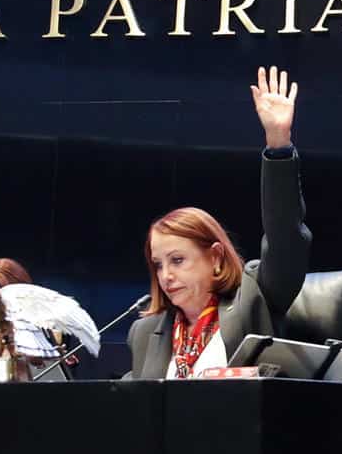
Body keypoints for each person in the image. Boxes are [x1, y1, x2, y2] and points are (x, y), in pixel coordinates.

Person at [127, 67, 312, 379]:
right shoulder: (145, 333)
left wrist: (278, 144)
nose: (166, 275)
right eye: (158, 264)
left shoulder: (254, 298)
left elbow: (285, 240)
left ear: (214, 257)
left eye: (177, 260)